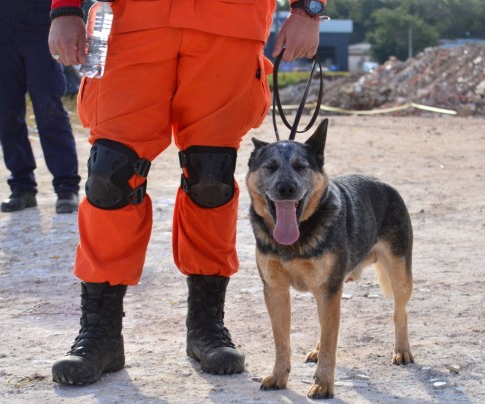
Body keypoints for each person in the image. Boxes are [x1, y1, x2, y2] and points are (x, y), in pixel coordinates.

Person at [48, 0, 326, 385]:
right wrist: (64, 9)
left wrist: (306, 12)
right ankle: (101, 332)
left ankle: (206, 326)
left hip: (229, 22)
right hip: (133, 19)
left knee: (210, 176)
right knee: (109, 175)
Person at [0, 0, 81, 214]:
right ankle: (22, 187)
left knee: (49, 111)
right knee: (6, 113)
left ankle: (66, 187)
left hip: (40, 27)